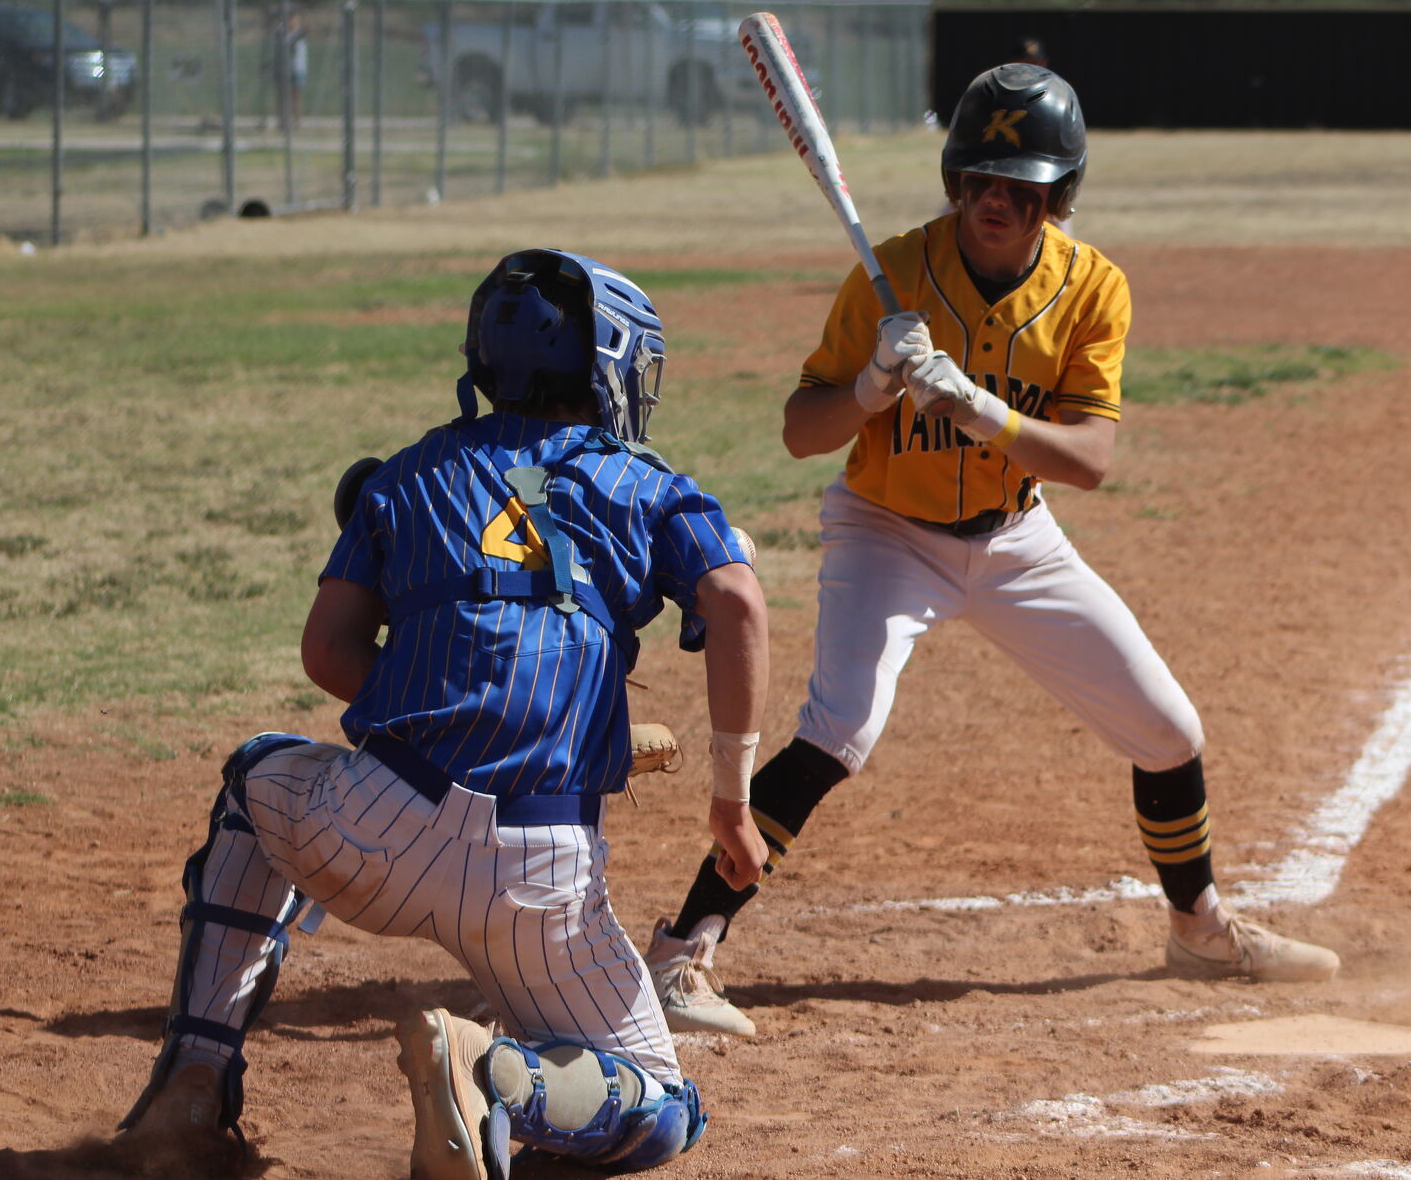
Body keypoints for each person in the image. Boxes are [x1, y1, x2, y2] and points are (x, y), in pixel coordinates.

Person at [645, 64, 1338, 1040]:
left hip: (1016, 538)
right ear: (954, 179)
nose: (994, 203)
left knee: (1167, 731)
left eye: (1019, 187)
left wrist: (982, 412)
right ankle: (684, 952)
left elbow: (1089, 461)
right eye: (977, 181)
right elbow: (803, 433)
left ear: (1057, 195)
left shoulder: (1090, 287)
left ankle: (1199, 929)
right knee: (841, 728)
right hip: (885, 532)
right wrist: (872, 390)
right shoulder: (889, 274)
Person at [114, 249, 772, 1178]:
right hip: (539, 882)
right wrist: (730, 802)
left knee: (255, 777)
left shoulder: (406, 472)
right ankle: (496, 1073)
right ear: (608, 365)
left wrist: (440, 710)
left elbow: (329, 651)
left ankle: (193, 1077)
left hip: (372, 824)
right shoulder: (645, 482)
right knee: (661, 1104)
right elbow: (737, 602)